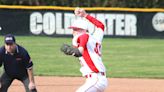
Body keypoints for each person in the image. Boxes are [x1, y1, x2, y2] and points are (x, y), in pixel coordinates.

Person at [61, 8, 108, 92]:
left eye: (75, 29)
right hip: (97, 79)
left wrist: (79, 49)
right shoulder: (95, 37)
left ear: (82, 29)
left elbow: (81, 46)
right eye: (73, 29)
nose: (73, 31)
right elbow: (101, 26)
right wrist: (85, 15)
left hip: (95, 79)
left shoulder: (83, 36)